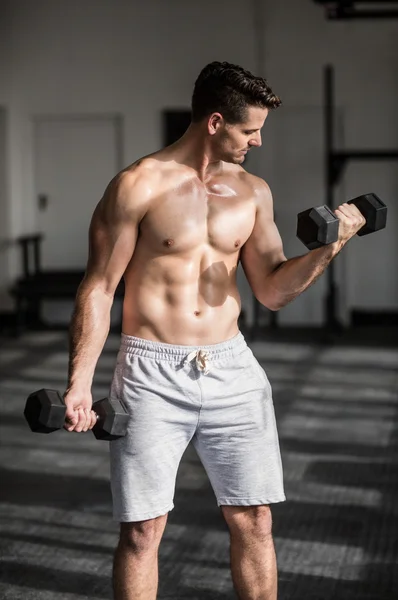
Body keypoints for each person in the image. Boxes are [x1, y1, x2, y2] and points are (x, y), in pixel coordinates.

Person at [63, 61, 366, 600]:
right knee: (142, 531)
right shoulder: (138, 185)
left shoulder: (253, 192)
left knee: (255, 521)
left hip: (232, 368)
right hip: (151, 372)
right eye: (250, 130)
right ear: (214, 121)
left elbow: (272, 290)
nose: (258, 141)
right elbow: (99, 288)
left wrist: (330, 247)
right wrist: (80, 383)